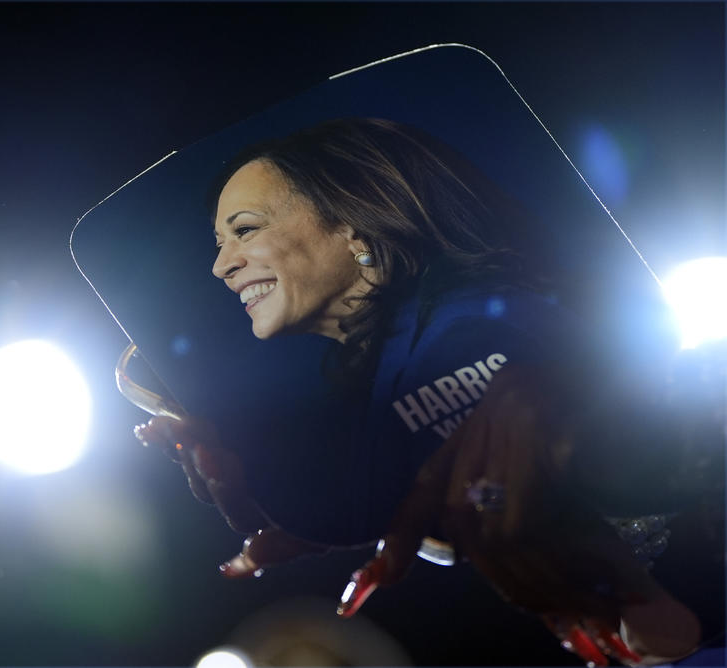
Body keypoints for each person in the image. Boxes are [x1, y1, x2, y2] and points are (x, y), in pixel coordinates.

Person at [132, 118, 724, 665]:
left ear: (351, 221)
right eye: (218, 242)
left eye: (245, 230)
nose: (221, 266)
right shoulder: (402, 367)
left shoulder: (473, 329)